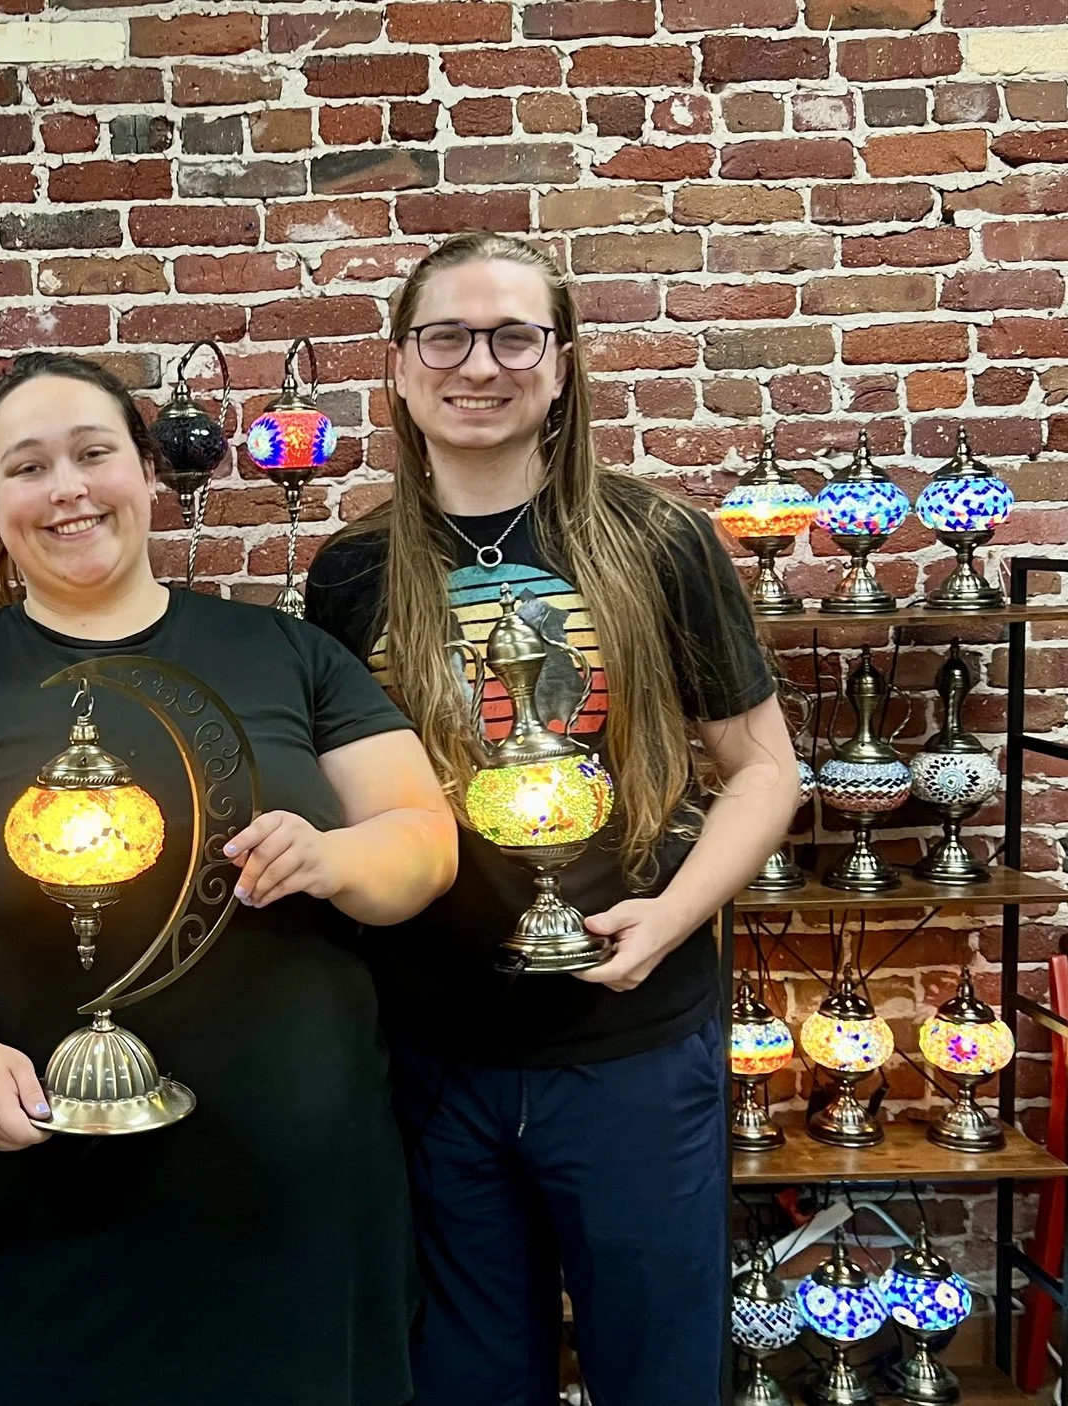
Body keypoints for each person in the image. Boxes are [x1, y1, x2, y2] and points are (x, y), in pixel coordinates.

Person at [0, 352, 457, 1405]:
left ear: (149, 471)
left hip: (294, 1191)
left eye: (93, 452)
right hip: (39, 1193)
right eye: (28, 466)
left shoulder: (287, 655)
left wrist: (336, 856)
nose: (66, 488)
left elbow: (423, 840)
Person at [305, 232, 800, 1406]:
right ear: (398, 365)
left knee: (658, 1375)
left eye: (514, 336)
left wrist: (671, 917)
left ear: (562, 363)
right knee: (465, 1381)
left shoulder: (657, 539)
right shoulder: (352, 572)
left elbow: (765, 769)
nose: (480, 364)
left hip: (631, 1049)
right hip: (432, 1050)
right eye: (446, 336)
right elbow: (342, 804)